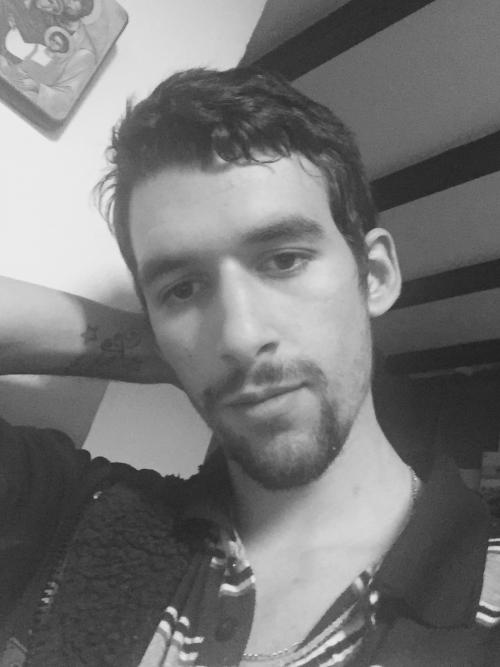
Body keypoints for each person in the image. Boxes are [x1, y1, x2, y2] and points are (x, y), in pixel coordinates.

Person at [1, 67, 499, 667]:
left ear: (375, 275)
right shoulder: (74, 520)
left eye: (284, 260)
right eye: (182, 290)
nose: (238, 336)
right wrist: (157, 351)